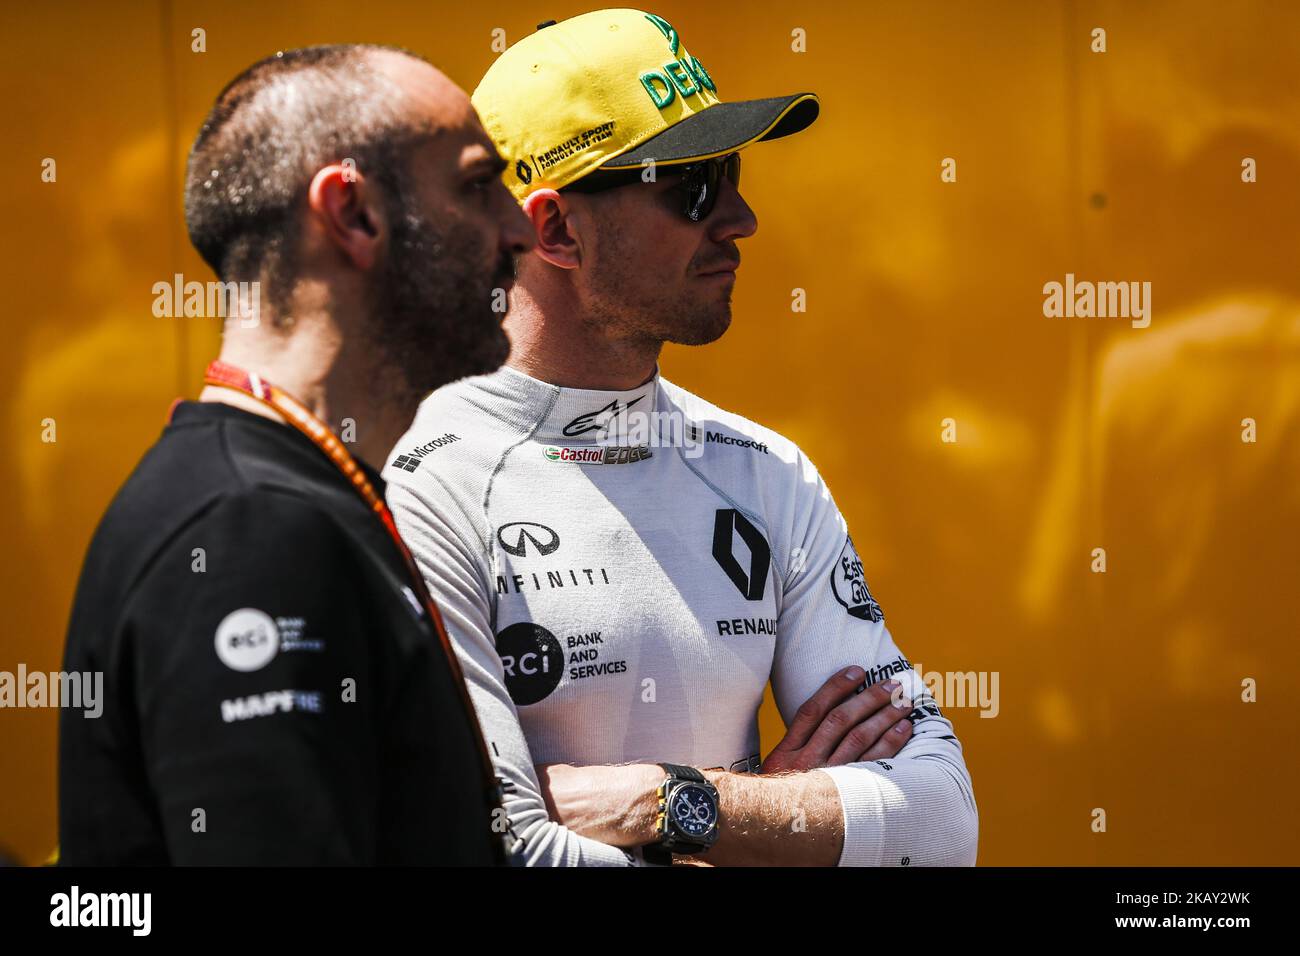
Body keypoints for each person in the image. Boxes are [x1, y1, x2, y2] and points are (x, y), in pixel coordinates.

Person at [384, 11, 977, 866]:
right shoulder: (423, 484)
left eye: (730, 173)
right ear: (554, 231)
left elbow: (943, 825)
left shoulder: (765, 472)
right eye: (693, 188)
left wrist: (674, 801)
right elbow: (497, 849)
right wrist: (775, 833)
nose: (741, 218)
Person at [58, 44, 534, 864]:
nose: (520, 228)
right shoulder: (253, 531)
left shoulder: (295, 498)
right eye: (476, 184)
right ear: (353, 214)